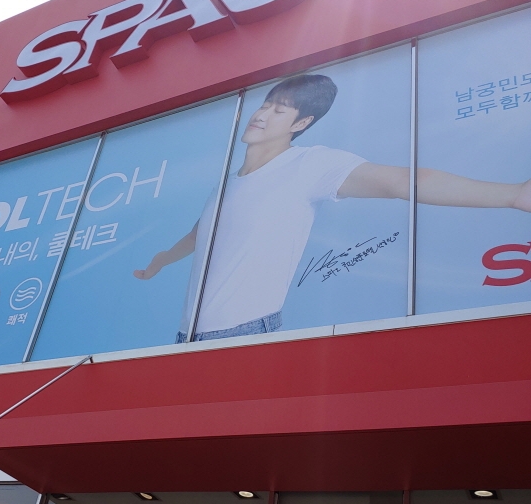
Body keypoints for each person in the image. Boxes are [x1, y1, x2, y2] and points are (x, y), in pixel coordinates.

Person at [133, 74, 531, 340]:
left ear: (300, 123)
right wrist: (162, 260)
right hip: (187, 337)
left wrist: (513, 195)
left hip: (243, 333)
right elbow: (200, 234)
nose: (262, 115)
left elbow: (402, 181)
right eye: (266, 104)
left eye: (279, 110)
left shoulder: (310, 165)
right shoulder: (226, 184)